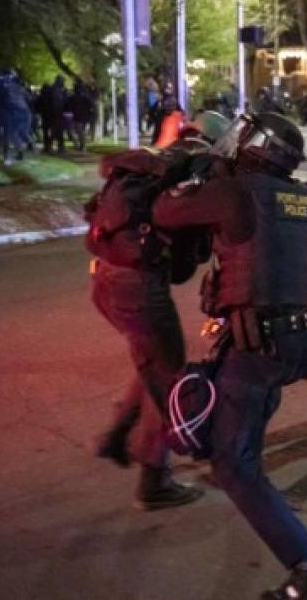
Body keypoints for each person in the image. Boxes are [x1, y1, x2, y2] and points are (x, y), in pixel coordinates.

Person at [152, 112, 307, 600]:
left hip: (257, 345)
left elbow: (165, 212)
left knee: (232, 463)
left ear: (252, 147)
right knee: (236, 428)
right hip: (293, 344)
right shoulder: (304, 198)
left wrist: (187, 168)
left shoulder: (233, 191)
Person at [87, 126, 227, 511]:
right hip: (139, 289)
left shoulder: (143, 175)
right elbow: (189, 261)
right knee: (170, 380)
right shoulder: (188, 184)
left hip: (104, 278)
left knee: (151, 361)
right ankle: (154, 481)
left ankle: (115, 437)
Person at [66, 79, 95, 153]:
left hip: (79, 117)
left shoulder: (79, 98)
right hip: (79, 117)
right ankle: (81, 145)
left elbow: (91, 107)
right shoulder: (82, 98)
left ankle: (81, 145)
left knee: (78, 132)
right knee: (78, 132)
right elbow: (91, 107)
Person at [42, 74, 69, 154]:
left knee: (57, 131)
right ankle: (55, 147)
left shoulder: (58, 90)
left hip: (55, 113)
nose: (63, 83)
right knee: (57, 131)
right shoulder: (56, 91)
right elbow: (56, 102)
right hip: (55, 113)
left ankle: (52, 146)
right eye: (62, 81)